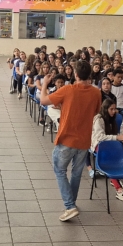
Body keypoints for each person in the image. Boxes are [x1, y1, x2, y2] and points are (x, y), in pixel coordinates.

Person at [40, 60, 102, 222]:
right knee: (76, 173)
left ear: (75, 74)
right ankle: (71, 205)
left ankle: (69, 206)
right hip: (84, 140)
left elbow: (44, 101)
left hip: (67, 138)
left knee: (59, 170)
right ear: (89, 75)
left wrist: (45, 83)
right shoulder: (96, 92)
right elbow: (95, 111)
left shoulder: (68, 89)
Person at [89, 99, 123, 202]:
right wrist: (118, 138)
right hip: (98, 145)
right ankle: (119, 190)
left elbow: (113, 135)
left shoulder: (111, 119)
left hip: (109, 145)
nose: (114, 111)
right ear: (105, 109)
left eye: (115, 109)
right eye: (111, 109)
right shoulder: (99, 119)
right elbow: (100, 137)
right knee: (111, 159)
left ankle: (116, 178)